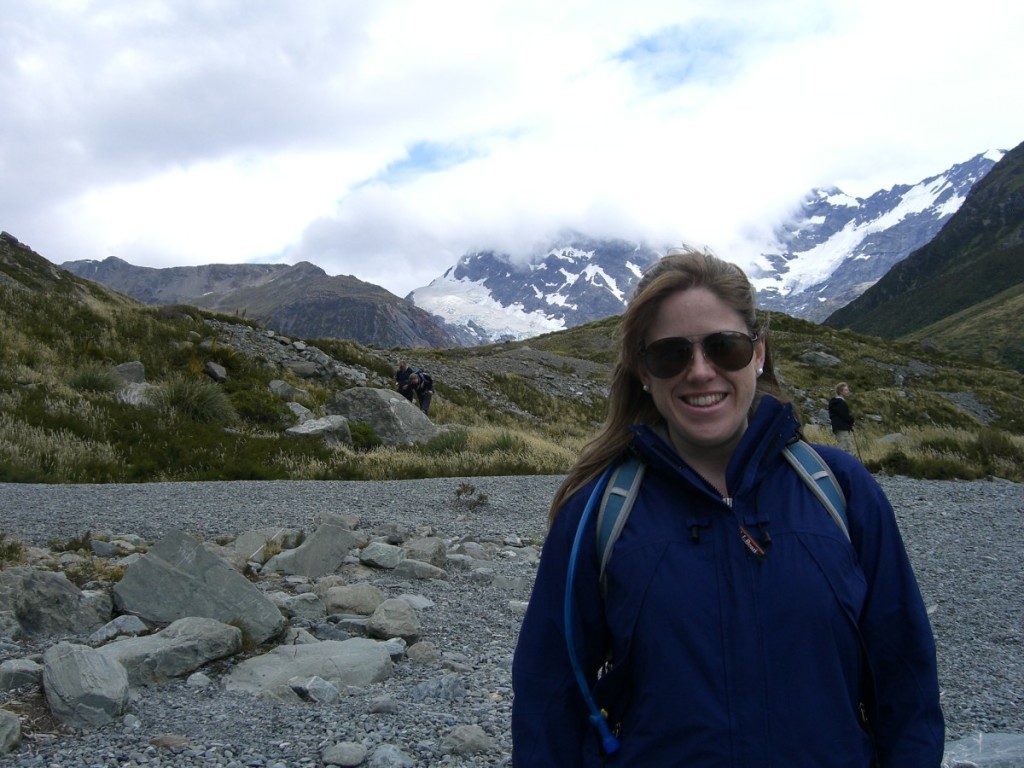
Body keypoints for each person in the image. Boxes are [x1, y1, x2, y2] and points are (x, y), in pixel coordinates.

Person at [511, 248, 943, 766]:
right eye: (671, 354)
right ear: (643, 371)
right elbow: (548, 703)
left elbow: (905, 679)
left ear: (758, 353)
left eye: (725, 347)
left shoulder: (840, 490)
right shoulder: (598, 513)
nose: (700, 372)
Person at [829, 381, 856, 454]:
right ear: (841, 392)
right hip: (841, 428)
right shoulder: (840, 403)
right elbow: (845, 416)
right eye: (846, 390)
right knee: (845, 447)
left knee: (846, 446)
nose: (848, 392)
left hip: (839, 427)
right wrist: (852, 420)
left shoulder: (836, 402)